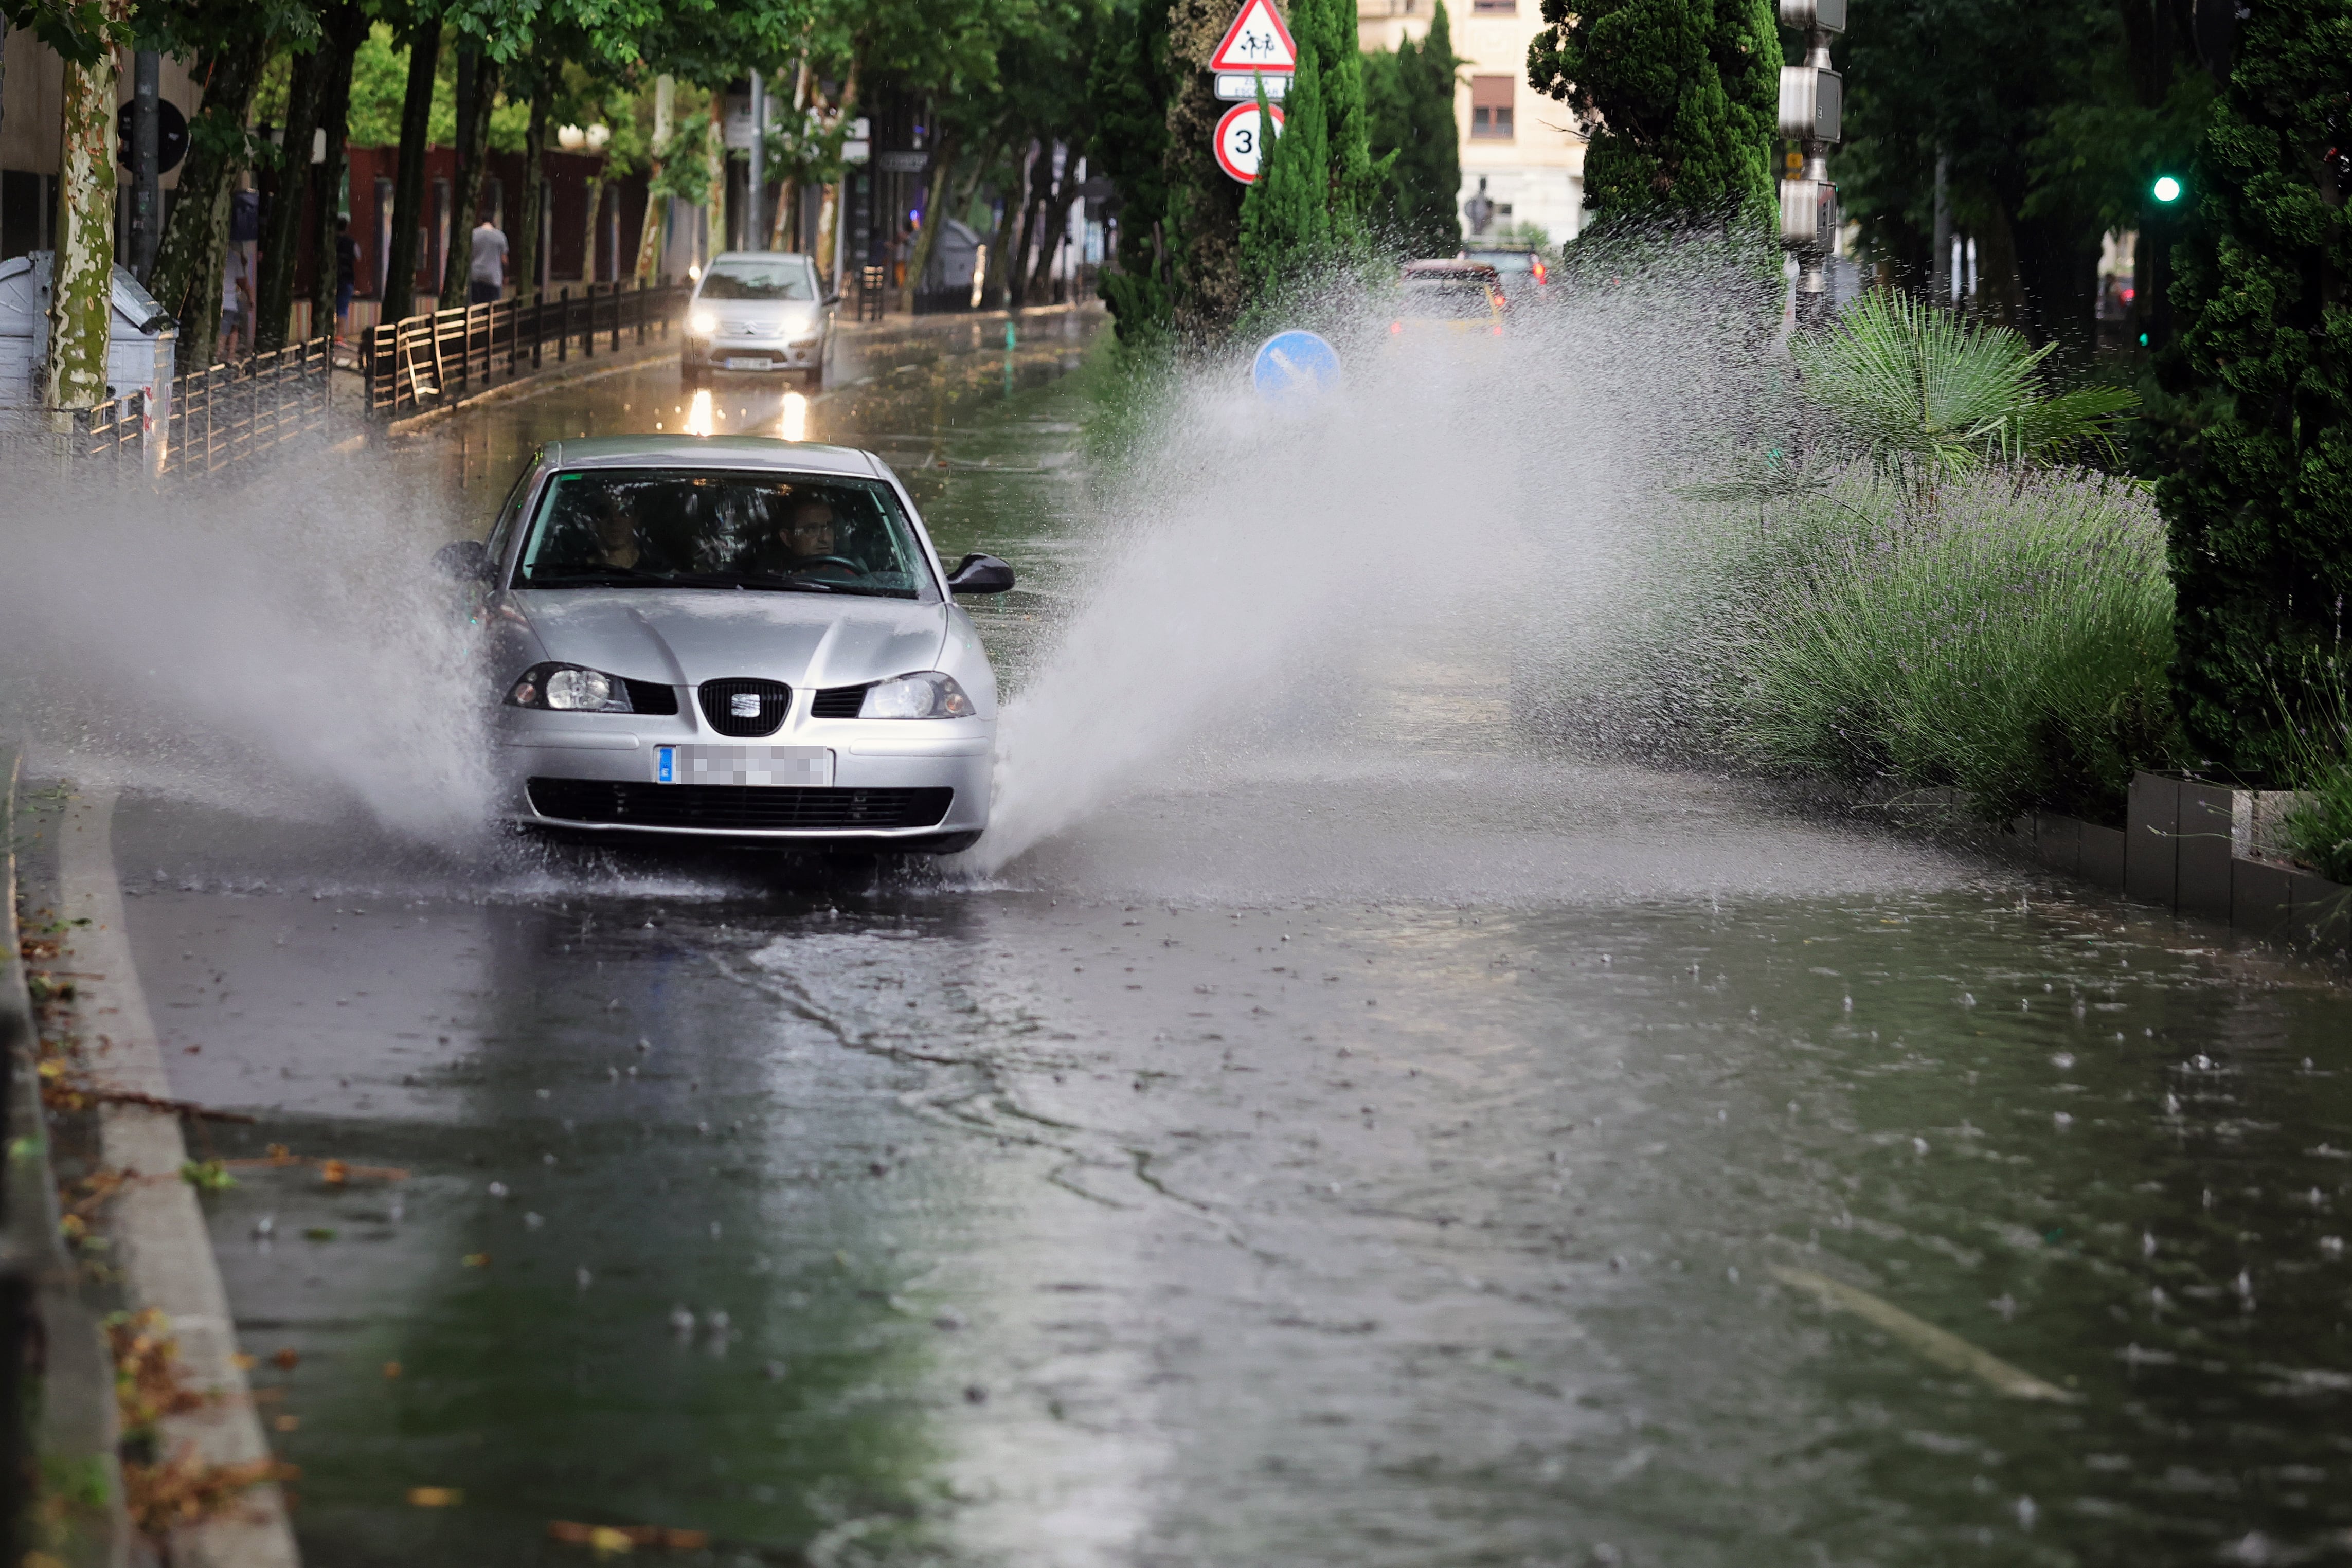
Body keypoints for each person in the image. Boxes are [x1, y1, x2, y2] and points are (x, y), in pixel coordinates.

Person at [218, 242, 252, 361]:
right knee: (230, 328)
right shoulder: (233, 258)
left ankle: (220, 355)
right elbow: (243, 282)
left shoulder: (215, 255)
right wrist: (250, 298)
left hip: (225, 301)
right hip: (229, 301)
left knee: (227, 328)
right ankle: (227, 355)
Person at [468, 215, 508, 307]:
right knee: (492, 308)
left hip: (476, 275)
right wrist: (506, 276)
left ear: (480, 220)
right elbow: (504, 260)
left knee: (476, 306)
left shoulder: (473, 234)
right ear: (493, 221)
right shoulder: (500, 236)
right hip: (494, 277)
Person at [334, 216, 360, 338]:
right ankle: (339, 335)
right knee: (343, 307)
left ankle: (328, 334)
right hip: (347, 279)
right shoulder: (351, 242)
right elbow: (358, 256)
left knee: (331, 305)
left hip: (333, 279)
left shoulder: (331, 241)